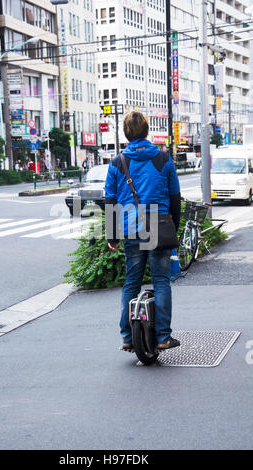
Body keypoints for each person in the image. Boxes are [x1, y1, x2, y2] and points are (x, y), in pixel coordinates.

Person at [105, 111, 181, 351]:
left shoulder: (118, 162)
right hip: (159, 228)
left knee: (131, 282)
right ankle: (162, 337)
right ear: (147, 131)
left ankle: (127, 336)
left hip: (131, 229)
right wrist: (173, 229)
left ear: (126, 133)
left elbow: (110, 200)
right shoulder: (163, 158)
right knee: (161, 282)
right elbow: (175, 197)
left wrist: (112, 236)